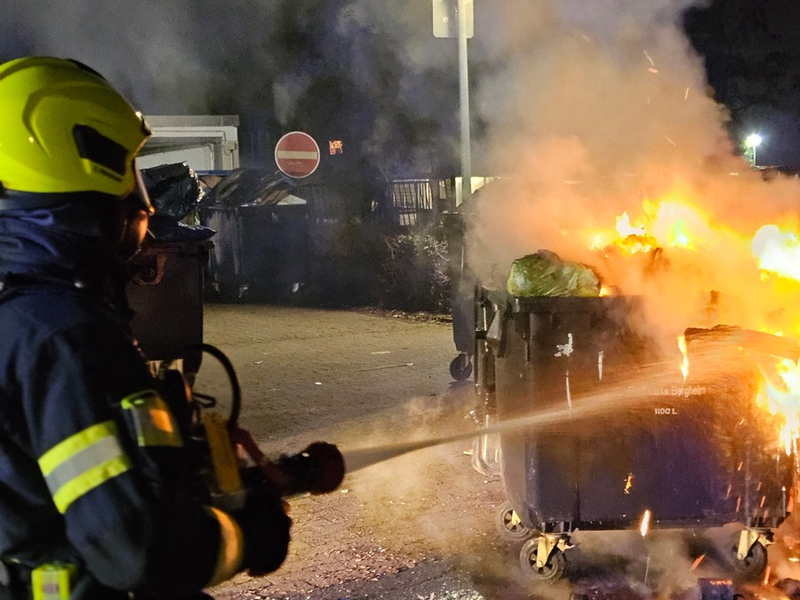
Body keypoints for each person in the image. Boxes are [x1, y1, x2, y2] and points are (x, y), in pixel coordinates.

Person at [0, 56, 291, 599]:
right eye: (130, 173)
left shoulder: (24, 315)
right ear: (86, 165)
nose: (145, 201)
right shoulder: (64, 336)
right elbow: (132, 548)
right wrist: (244, 537)